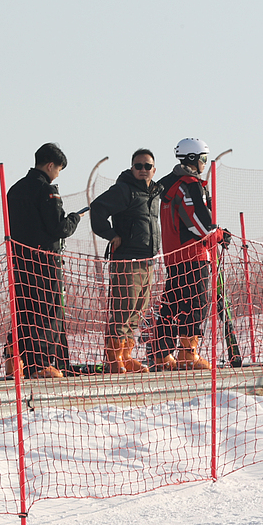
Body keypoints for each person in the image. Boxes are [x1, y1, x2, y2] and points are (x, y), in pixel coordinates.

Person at [150, 138, 227, 370]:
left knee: (171, 305)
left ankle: (162, 355)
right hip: (194, 256)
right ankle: (187, 353)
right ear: (193, 159)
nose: (204, 163)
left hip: (172, 256)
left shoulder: (165, 185)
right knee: (197, 303)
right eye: (203, 158)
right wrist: (221, 234)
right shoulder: (189, 185)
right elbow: (201, 226)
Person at [6, 143, 81, 379]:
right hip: (45, 262)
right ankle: (42, 364)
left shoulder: (14, 189)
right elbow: (58, 227)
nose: (57, 174)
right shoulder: (46, 190)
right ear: (50, 165)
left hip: (19, 260)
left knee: (23, 310)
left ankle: (14, 359)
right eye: (58, 169)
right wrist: (74, 218)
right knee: (48, 312)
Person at [90, 148, 162, 373]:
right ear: (132, 168)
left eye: (147, 166)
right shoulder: (124, 190)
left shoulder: (155, 193)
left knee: (137, 312)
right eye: (138, 166)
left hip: (147, 260)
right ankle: (114, 359)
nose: (143, 170)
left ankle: (126, 355)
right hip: (126, 261)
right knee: (122, 310)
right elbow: (97, 209)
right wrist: (111, 235)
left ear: (154, 169)